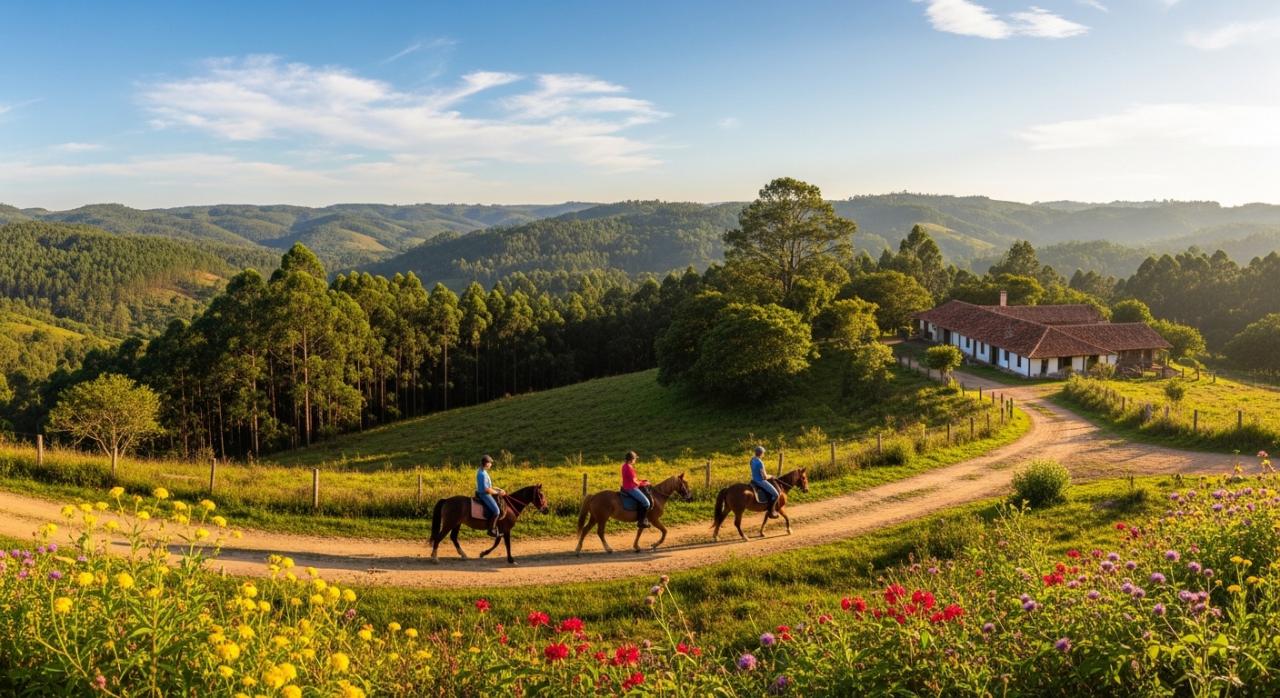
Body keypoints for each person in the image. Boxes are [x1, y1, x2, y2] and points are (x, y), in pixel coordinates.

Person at [475, 454, 505, 538]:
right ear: (486, 463)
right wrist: (498, 493)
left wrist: (499, 489)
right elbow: (487, 490)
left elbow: (490, 487)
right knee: (497, 511)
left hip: (485, 492)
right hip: (484, 494)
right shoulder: (482, 474)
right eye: (490, 463)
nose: (491, 464)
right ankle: (491, 530)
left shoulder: (483, 471)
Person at [620, 451, 651, 529]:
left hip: (628, 486)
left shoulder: (625, 465)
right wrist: (644, 483)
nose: (635, 460)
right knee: (646, 503)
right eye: (635, 459)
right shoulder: (629, 468)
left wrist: (642, 481)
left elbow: (634, 479)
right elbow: (634, 481)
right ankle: (641, 521)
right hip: (631, 488)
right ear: (631, 459)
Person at [750, 446, 780, 519]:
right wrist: (771, 476)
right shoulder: (760, 462)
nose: (764, 454)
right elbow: (764, 477)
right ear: (761, 453)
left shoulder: (752, 460)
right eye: (763, 453)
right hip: (760, 481)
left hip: (753, 480)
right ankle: (771, 511)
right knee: (776, 495)